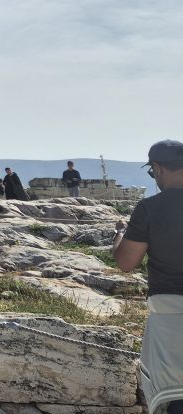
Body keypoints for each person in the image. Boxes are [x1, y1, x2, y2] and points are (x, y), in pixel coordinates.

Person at [114, 140, 183, 414]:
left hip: (170, 318)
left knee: (174, 396)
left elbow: (126, 262)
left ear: (158, 168)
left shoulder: (150, 208)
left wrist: (118, 234)